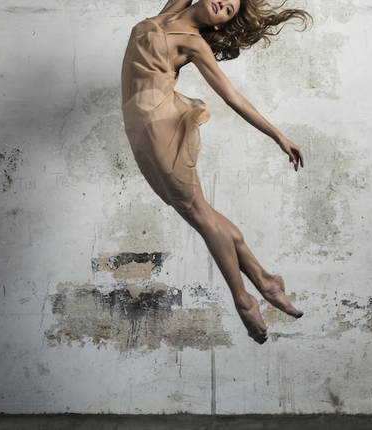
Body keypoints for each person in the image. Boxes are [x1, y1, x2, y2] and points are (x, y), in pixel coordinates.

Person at [121, 0, 312, 344]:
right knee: (203, 215)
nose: (223, 5)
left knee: (200, 215)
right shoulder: (171, 9)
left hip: (161, 126)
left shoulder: (195, 43)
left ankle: (244, 300)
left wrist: (278, 135)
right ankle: (265, 280)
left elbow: (232, 97)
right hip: (139, 128)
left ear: (221, 26)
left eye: (228, 11)